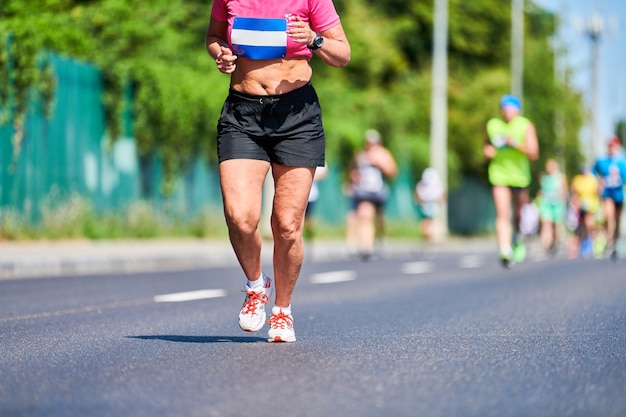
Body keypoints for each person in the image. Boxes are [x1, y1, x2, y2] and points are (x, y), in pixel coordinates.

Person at [205, 0, 350, 343]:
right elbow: (213, 36)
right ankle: (256, 286)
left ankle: (282, 311)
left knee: (286, 225)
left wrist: (314, 39)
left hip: (297, 116)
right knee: (240, 217)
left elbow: (342, 55)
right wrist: (221, 54)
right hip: (242, 115)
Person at [484, 94, 539, 267]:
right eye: (504, 107)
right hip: (499, 174)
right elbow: (487, 145)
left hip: (520, 177)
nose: (507, 111)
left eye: (510, 107)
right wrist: (488, 151)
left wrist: (515, 143)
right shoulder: (493, 125)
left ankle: (517, 236)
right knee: (502, 212)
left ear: (517, 110)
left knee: (517, 214)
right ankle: (505, 249)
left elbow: (534, 152)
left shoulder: (525, 125)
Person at [347, 129, 397, 260]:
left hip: (379, 191)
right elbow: (353, 170)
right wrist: (354, 180)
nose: (371, 145)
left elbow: (392, 171)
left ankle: (381, 240)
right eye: (369, 142)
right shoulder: (361, 155)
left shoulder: (384, 154)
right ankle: (366, 248)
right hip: (364, 192)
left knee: (380, 219)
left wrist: (380, 163)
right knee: (365, 216)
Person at [593, 135, 626, 260]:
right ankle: (609, 241)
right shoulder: (601, 161)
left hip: (618, 195)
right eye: (610, 145)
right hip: (607, 194)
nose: (612, 148)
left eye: (614, 145)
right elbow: (593, 172)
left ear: (617, 146)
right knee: (608, 216)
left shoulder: (622, 161)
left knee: (617, 220)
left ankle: (616, 241)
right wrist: (598, 181)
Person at [567, 165, 600, 259]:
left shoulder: (592, 179)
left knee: (590, 223)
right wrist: (574, 204)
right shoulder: (577, 180)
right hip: (580, 206)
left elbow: (597, 192)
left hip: (592, 205)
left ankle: (592, 241)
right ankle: (584, 242)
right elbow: (574, 194)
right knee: (582, 226)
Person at [537, 158, 568, 254]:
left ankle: (555, 242)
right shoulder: (543, 177)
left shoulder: (560, 177)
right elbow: (541, 191)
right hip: (546, 205)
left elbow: (565, 191)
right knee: (546, 224)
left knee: (556, 226)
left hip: (557, 205)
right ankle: (545, 244)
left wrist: (561, 196)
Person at [415, 167, 445, 242]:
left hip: (432, 205)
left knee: (431, 221)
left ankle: (431, 236)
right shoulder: (422, 185)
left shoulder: (435, 185)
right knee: (427, 221)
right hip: (426, 206)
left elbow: (442, 196)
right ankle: (428, 236)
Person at [304, 162, 328, 241]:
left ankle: (308, 235)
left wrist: (310, 175)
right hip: (300, 193)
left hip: (312, 195)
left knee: (309, 217)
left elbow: (324, 173)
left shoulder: (316, 155)